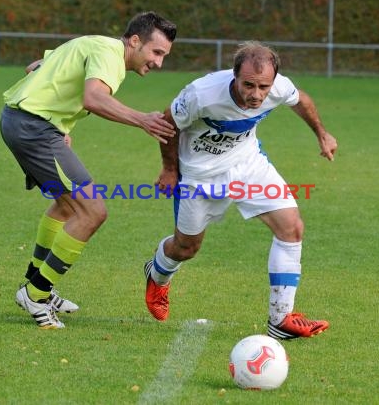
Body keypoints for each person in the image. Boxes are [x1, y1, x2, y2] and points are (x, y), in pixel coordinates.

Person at [143, 41, 338, 339]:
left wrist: (322, 134)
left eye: (263, 87)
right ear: (234, 75)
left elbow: (301, 100)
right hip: (199, 177)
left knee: (291, 227)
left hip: (249, 167)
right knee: (186, 248)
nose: (256, 94)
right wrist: (170, 170)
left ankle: (280, 319)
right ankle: (157, 274)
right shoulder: (202, 94)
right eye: (248, 85)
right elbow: (169, 123)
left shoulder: (278, 87)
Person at [0, 11, 177, 329]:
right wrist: (142, 120)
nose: (159, 62)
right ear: (135, 41)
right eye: (156, 52)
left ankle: (37, 284)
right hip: (33, 129)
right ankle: (35, 294)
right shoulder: (109, 53)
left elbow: (36, 68)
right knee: (92, 212)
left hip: (26, 124)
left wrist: (59, 121)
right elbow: (94, 97)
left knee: (66, 206)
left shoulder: (95, 45)